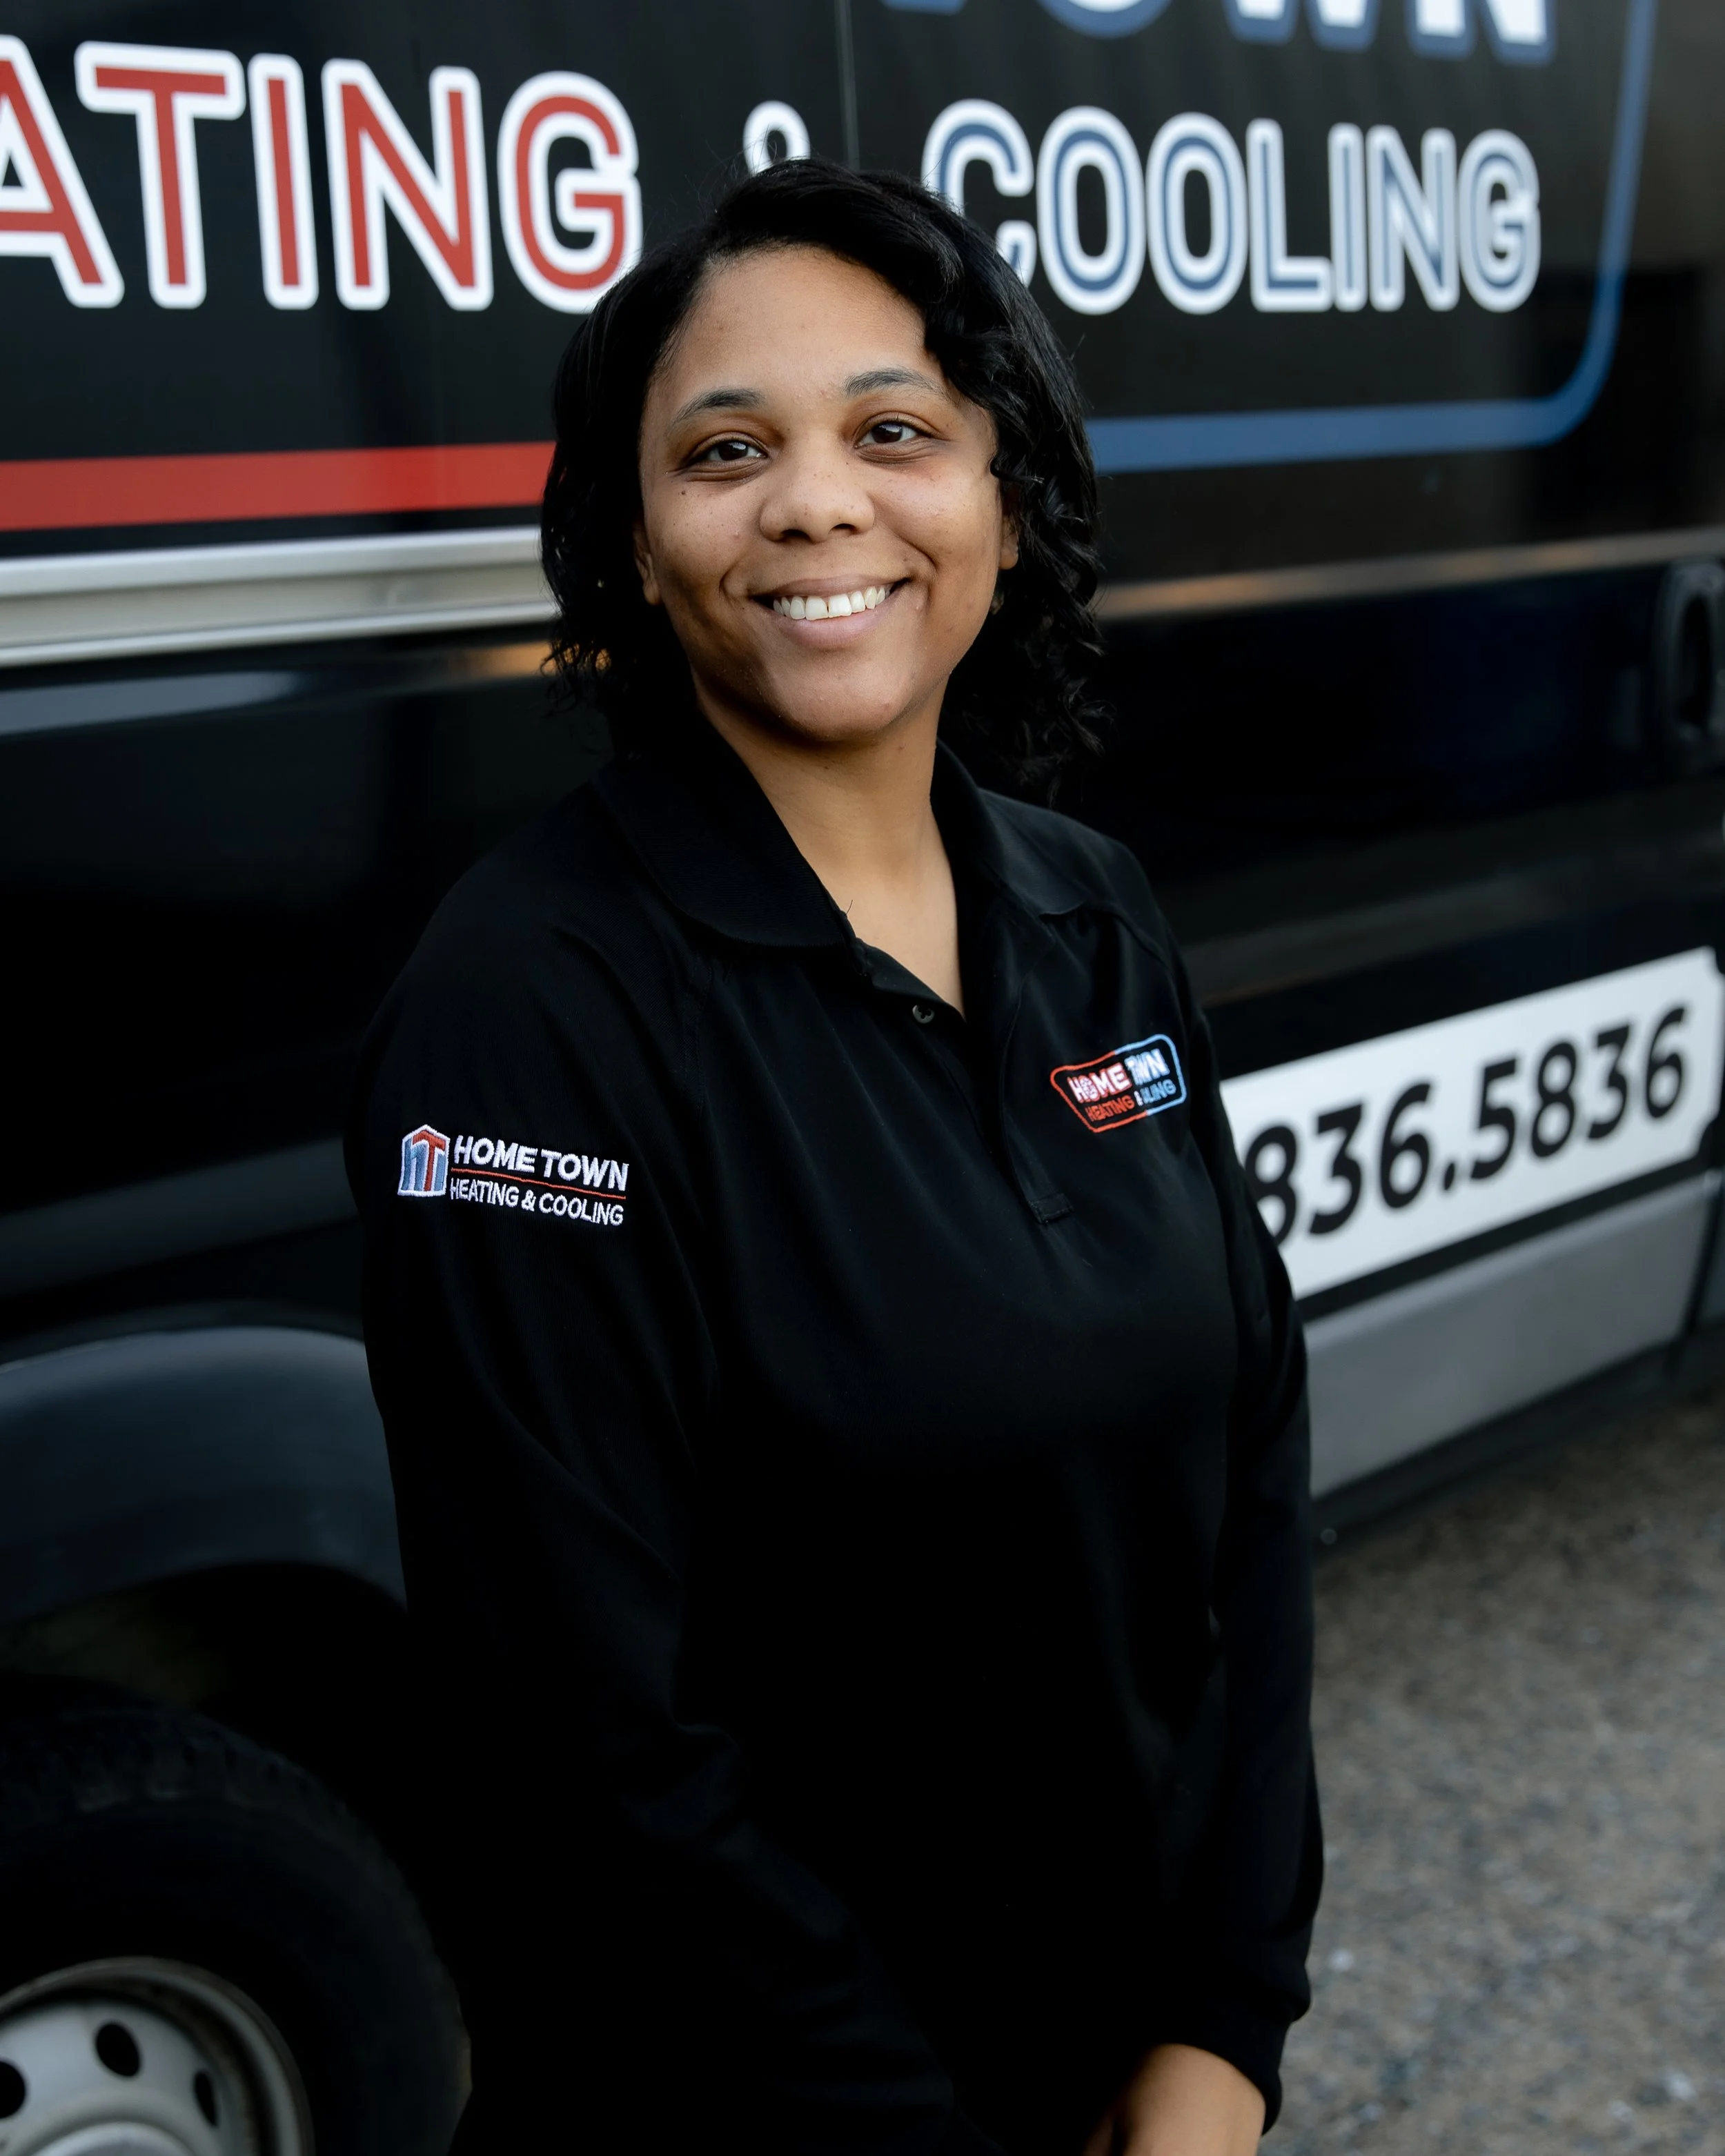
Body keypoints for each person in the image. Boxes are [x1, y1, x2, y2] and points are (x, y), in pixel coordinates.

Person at [349, 156, 1321, 2156]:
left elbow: (1249, 1484)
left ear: (999, 503)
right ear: (628, 541)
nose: (814, 502)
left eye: (895, 431)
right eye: (726, 449)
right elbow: (591, 1743)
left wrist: (1218, 2030)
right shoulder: (528, 1007)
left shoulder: (1094, 911)